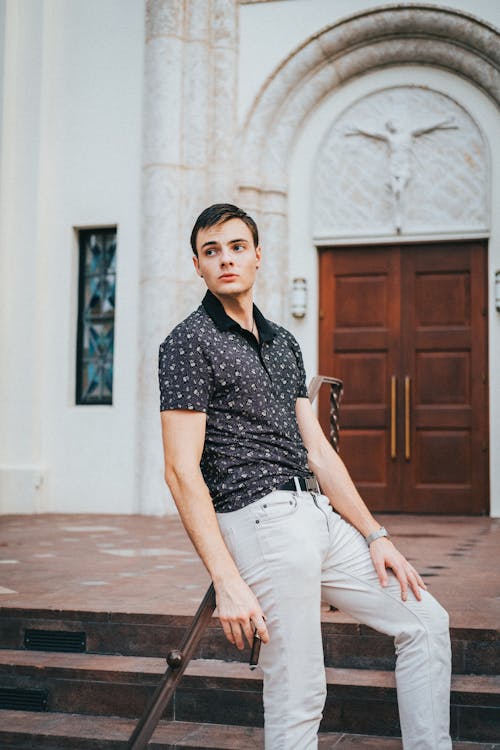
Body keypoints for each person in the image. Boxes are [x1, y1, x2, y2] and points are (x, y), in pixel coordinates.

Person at [158, 203, 452, 750]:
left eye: (237, 246)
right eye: (211, 251)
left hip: (316, 514)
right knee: (299, 690)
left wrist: (375, 534)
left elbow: (317, 450)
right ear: (197, 266)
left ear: (258, 256)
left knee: (427, 623)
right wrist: (226, 578)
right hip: (261, 519)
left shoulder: (283, 341)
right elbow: (180, 471)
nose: (226, 259)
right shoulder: (187, 342)